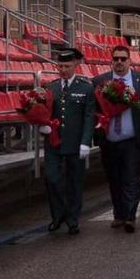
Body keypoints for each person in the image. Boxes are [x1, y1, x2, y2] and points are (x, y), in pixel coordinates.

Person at [92, 45, 140, 233]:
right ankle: (119, 214)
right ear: (111, 61)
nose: (120, 62)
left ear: (130, 61)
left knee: (131, 177)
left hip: (133, 139)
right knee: (115, 179)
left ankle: (130, 216)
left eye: (123, 59)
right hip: (110, 140)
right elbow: (93, 112)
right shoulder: (100, 82)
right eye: (116, 59)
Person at [40, 47, 95, 235]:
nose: (63, 69)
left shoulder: (85, 87)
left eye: (67, 66)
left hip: (75, 143)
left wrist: (86, 142)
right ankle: (58, 215)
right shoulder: (51, 87)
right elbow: (43, 112)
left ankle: (73, 219)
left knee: (74, 182)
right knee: (52, 178)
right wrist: (42, 126)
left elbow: (89, 117)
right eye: (60, 66)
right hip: (53, 143)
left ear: (75, 65)